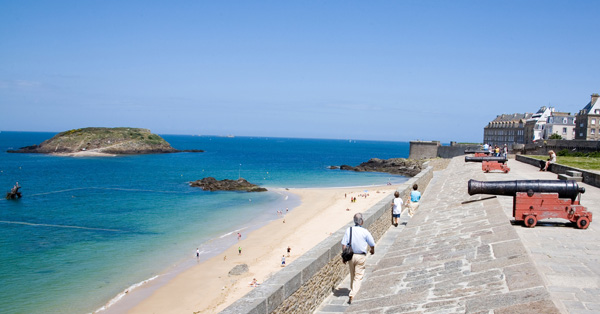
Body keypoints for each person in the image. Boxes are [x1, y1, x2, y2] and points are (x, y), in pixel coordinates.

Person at [341, 213, 375, 304]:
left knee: (353, 275)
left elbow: (344, 244)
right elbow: (372, 243)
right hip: (360, 256)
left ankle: (353, 290)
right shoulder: (365, 231)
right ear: (362, 221)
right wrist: (372, 250)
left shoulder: (349, 230)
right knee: (358, 276)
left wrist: (344, 257)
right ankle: (353, 294)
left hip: (351, 256)